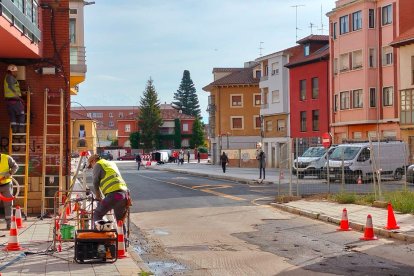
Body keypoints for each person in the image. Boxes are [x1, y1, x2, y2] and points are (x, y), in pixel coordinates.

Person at [88, 154, 130, 228]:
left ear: (93, 161)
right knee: (120, 221)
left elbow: (95, 182)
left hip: (113, 195)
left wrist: (98, 196)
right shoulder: (111, 164)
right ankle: (123, 238)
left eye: (91, 165)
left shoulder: (98, 164)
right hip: (123, 195)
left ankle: (101, 235)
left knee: (97, 214)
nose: (92, 167)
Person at [4, 64, 25, 134]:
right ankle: (21, 129)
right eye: (15, 71)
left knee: (12, 115)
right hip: (15, 100)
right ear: (11, 71)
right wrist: (18, 97)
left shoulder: (7, 77)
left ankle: (14, 129)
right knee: (21, 114)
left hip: (9, 102)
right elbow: (11, 87)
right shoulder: (10, 77)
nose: (16, 73)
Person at [0, 153, 19, 230]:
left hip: (6, 184)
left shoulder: (7, 158)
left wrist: (10, 173)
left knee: (8, 205)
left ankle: (9, 224)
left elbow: (15, 166)